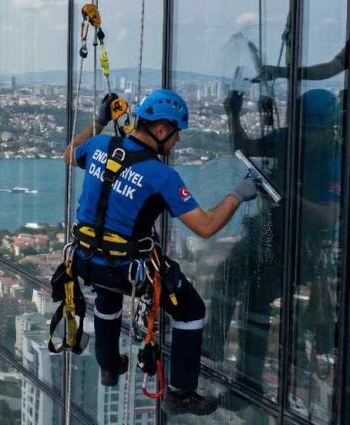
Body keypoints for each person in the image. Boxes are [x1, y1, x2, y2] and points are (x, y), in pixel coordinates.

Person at [62, 89, 259, 416]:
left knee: (107, 296)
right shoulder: (162, 176)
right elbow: (206, 226)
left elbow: (69, 154)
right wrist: (238, 194)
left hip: (85, 259)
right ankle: (180, 394)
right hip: (126, 267)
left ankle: (109, 365)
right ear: (162, 130)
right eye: (177, 132)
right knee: (192, 311)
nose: (178, 140)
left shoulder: (99, 145)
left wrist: (99, 123)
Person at [211, 88, 342, 401]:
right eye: (301, 129)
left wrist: (286, 194)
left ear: (327, 131)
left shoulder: (335, 159)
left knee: (257, 296)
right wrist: (233, 115)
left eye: (308, 131)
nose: (302, 136)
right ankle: (213, 348)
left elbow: (328, 217)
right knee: (228, 272)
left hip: (300, 243)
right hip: (271, 229)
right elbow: (245, 146)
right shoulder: (288, 137)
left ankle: (247, 384)